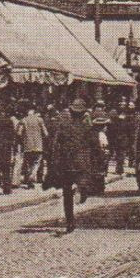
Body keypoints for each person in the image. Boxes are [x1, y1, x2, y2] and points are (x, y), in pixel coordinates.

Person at [44, 99, 99, 234]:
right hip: (81, 164)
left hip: (66, 164)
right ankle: (82, 190)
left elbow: (55, 145)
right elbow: (95, 146)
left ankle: (70, 222)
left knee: (67, 194)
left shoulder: (64, 127)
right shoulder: (88, 128)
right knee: (84, 183)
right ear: (83, 114)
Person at [18, 103, 47, 187]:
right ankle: (32, 176)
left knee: (28, 163)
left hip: (27, 145)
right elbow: (46, 133)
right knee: (36, 163)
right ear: (34, 111)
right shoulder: (40, 120)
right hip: (38, 145)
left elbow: (19, 133)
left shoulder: (23, 120)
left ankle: (28, 179)